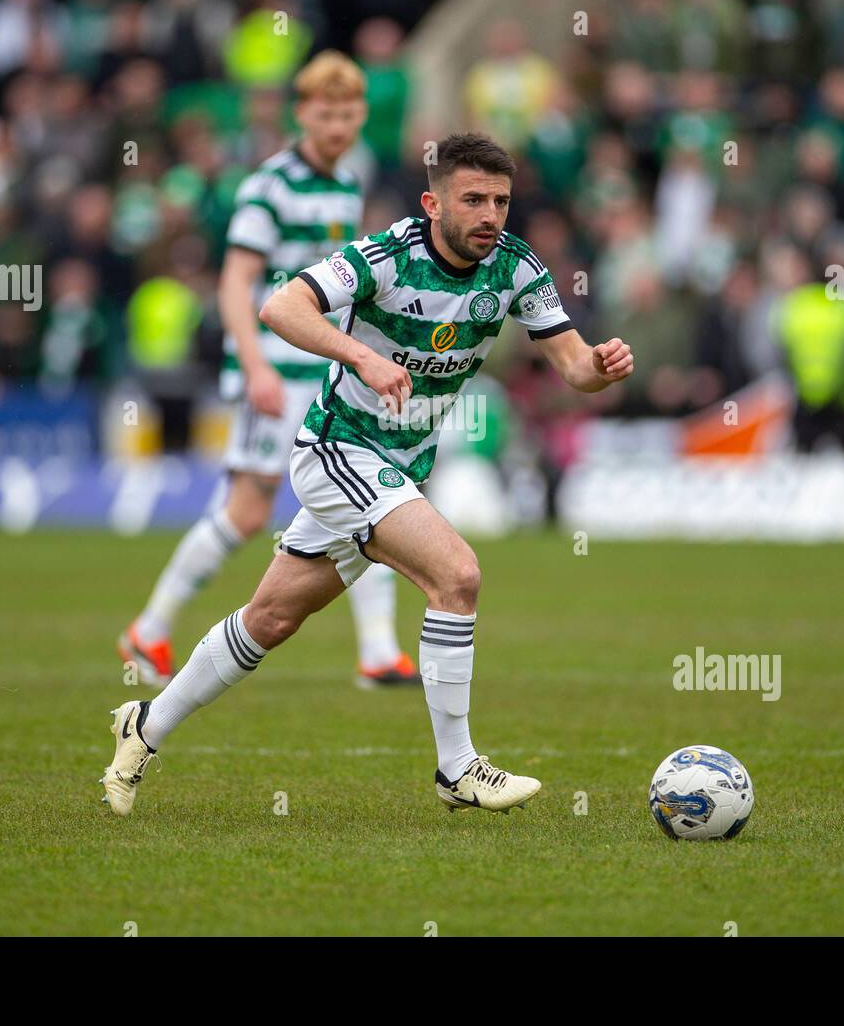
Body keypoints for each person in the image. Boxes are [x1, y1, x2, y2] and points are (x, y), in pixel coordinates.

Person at [100, 133, 634, 816]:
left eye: (500, 200)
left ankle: (143, 727)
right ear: (431, 202)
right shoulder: (386, 254)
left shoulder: (516, 267)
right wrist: (362, 357)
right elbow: (280, 307)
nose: (490, 214)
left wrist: (601, 368)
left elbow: (573, 365)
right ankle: (458, 769)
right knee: (458, 575)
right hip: (337, 449)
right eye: (472, 199)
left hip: (401, 465)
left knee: (270, 618)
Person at [116, 51, 415, 688]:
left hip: (327, 371)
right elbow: (235, 284)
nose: (338, 125)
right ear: (301, 113)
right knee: (248, 513)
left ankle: (378, 652)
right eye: (325, 113)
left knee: (373, 493)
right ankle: (151, 627)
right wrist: (254, 367)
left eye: (349, 113)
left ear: (362, 115)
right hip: (274, 374)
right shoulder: (267, 186)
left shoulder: (348, 180)